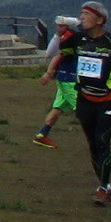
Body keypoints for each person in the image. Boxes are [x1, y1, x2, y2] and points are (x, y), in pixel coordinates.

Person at [47, 0, 111, 205]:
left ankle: (103, 187)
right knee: (93, 144)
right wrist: (58, 33)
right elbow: (50, 53)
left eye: (86, 14)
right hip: (84, 98)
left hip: (108, 100)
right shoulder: (78, 39)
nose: (81, 18)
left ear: (99, 20)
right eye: (80, 14)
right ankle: (106, 186)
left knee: (102, 141)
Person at [32, 16, 78, 147]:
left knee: (57, 108)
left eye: (61, 26)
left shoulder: (69, 37)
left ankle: (42, 135)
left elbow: (51, 52)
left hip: (66, 77)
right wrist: (49, 72)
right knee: (83, 109)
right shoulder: (69, 37)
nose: (58, 28)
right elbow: (56, 54)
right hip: (69, 78)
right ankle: (101, 140)